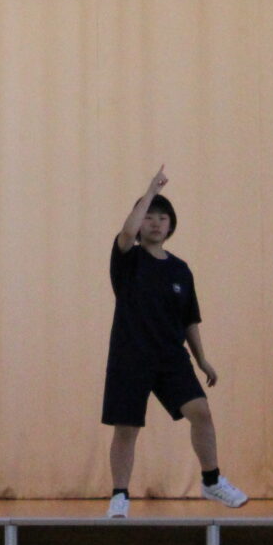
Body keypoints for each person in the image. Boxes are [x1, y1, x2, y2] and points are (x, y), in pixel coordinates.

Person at [102, 165, 247, 519]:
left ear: (171, 225)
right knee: (127, 428)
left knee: (201, 411)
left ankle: (211, 480)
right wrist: (150, 190)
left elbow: (189, 320)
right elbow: (126, 232)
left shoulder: (181, 269)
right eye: (149, 216)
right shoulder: (127, 258)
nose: (155, 223)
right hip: (130, 355)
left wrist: (202, 360)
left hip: (171, 357)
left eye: (162, 217)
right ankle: (120, 495)